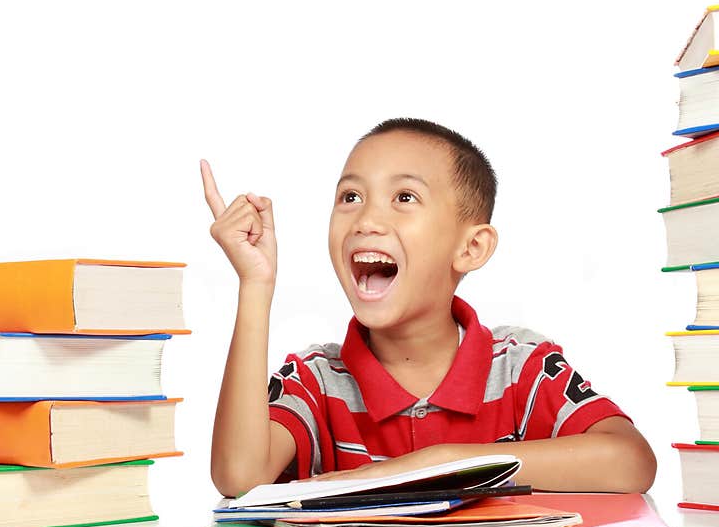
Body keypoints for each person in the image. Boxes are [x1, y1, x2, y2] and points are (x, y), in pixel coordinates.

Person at [200, 117, 657, 498]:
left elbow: (631, 462)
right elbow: (239, 478)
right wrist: (255, 286)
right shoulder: (316, 380)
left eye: (404, 198)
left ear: (472, 248)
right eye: (350, 197)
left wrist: (433, 466)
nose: (366, 220)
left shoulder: (522, 369)